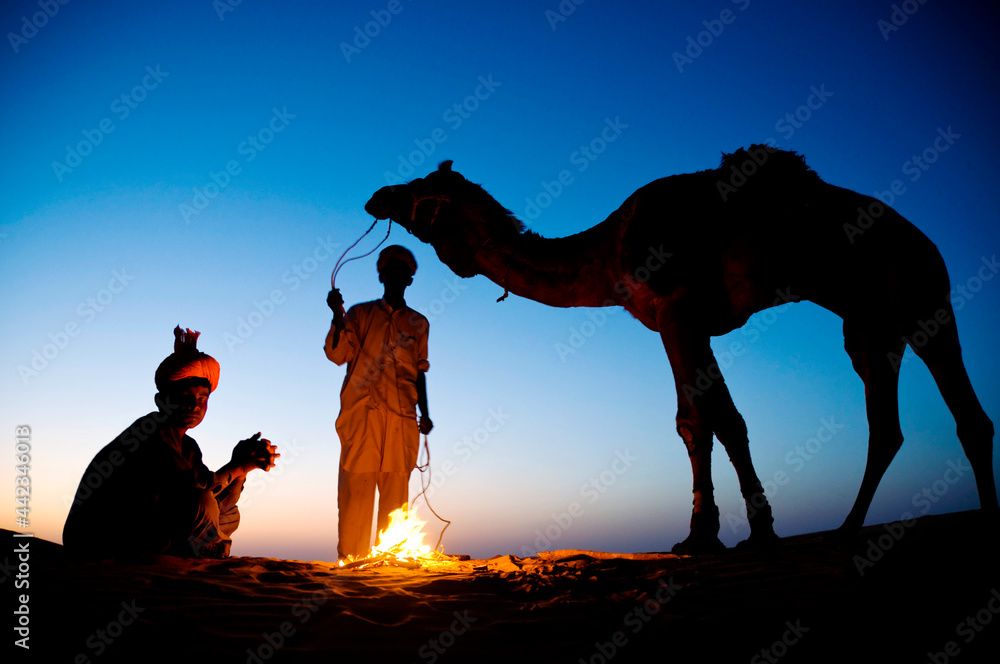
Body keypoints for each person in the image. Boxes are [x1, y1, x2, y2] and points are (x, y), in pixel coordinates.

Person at [63, 326, 279, 559]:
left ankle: (201, 548)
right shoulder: (149, 434)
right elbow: (196, 492)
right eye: (184, 397)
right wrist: (238, 465)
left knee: (228, 509)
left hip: (147, 532)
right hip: (99, 540)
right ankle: (204, 550)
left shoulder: (188, 445)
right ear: (161, 401)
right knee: (202, 502)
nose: (194, 405)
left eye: (201, 399)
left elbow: (211, 488)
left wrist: (245, 466)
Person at [325, 245, 433, 560]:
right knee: (356, 493)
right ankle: (352, 562)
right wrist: (337, 315)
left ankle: (389, 564)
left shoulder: (419, 324)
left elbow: (420, 371)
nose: (396, 277)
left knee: (396, 495)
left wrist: (425, 414)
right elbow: (338, 355)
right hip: (361, 416)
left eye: (403, 273)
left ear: (410, 280)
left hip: (402, 418)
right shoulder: (358, 314)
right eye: (391, 271)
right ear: (381, 275)